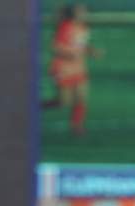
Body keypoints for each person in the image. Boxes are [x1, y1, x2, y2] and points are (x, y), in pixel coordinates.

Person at [42, 4, 99, 135]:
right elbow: (55, 47)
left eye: (85, 12)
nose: (84, 14)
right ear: (74, 14)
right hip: (63, 69)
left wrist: (91, 51)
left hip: (79, 68)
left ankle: (77, 126)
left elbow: (81, 46)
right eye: (81, 12)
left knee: (82, 97)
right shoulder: (65, 27)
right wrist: (69, 54)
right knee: (63, 102)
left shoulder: (84, 28)